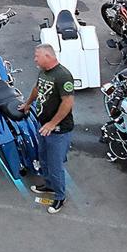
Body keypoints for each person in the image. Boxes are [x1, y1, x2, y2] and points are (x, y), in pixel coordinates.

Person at [19, 43, 75, 214]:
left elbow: (68, 102)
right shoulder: (43, 71)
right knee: (43, 158)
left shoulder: (63, 76)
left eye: (37, 56)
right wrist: (28, 104)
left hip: (58, 130)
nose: (35, 59)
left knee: (55, 165)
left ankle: (59, 196)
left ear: (48, 56)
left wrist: (52, 124)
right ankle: (49, 185)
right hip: (43, 126)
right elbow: (37, 89)